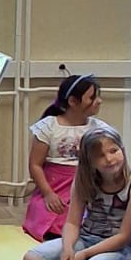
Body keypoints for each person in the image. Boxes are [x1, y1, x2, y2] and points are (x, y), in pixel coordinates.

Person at [22, 124, 131, 260]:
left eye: (113, 151)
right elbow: (72, 222)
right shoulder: (84, 180)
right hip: (86, 239)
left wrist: (85, 254)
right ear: (89, 161)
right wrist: (68, 249)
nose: (109, 159)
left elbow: (124, 237)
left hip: (118, 249)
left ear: (122, 150)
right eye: (100, 155)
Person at [21, 74, 102, 239]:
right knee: (51, 213)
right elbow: (35, 165)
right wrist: (48, 194)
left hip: (85, 185)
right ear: (73, 101)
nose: (99, 101)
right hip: (54, 186)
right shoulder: (48, 126)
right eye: (92, 97)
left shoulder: (99, 129)